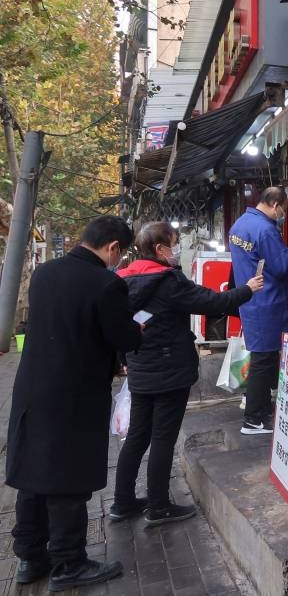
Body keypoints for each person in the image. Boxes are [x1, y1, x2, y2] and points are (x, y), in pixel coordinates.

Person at [5, 216, 142, 591]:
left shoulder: (46, 273)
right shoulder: (105, 283)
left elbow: (67, 325)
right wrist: (136, 330)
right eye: (121, 252)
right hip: (74, 395)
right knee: (67, 479)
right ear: (113, 247)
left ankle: (30, 558)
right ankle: (69, 563)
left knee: (32, 476)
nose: (119, 260)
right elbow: (122, 335)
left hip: (32, 389)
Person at [111, 222, 264, 526]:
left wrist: (122, 359)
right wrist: (248, 289)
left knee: (138, 436)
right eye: (175, 242)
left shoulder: (122, 279)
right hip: (169, 370)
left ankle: (123, 502)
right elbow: (211, 302)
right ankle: (158, 506)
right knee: (163, 437)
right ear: (160, 249)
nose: (177, 247)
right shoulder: (168, 280)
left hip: (140, 366)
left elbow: (116, 325)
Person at [229, 187, 288, 435]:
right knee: (263, 361)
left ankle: (262, 414)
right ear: (276, 204)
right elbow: (282, 266)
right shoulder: (265, 230)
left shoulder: (240, 224)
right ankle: (254, 419)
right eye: (284, 209)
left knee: (262, 359)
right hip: (268, 301)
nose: (284, 214)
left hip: (252, 299)